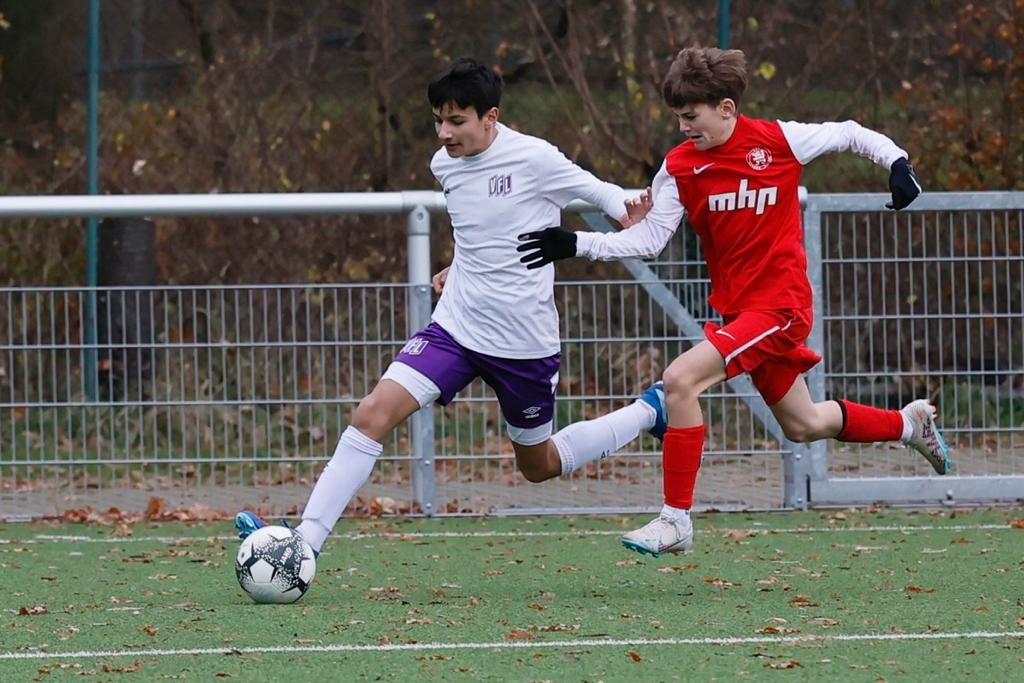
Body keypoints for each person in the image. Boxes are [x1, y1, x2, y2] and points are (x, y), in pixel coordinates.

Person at [516, 46, 951, 558]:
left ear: (726, 108)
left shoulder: (778, 141)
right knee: (805, 424)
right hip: (741, 314)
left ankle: (675, 520)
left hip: (781, 308)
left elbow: (850, 132)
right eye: (678, 117)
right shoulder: (680, 167)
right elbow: (650, 239)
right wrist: (577, 243)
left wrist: (896, 161)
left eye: (691, 116)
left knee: (680, 380)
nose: (683, 127)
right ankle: (909, 424)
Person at [235, 57, 662, 557]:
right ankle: (304, 543)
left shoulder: (535, 158)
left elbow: (608, 197)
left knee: (539, 465)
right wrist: (457, 266)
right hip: (455, 330)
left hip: (523, 344)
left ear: (491, 117)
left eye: (457, 121)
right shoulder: (444, 164)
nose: (444, 133)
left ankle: (647, 411)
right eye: (438, 120)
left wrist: (632, 212)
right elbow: (478, 227)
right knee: (372, 413)